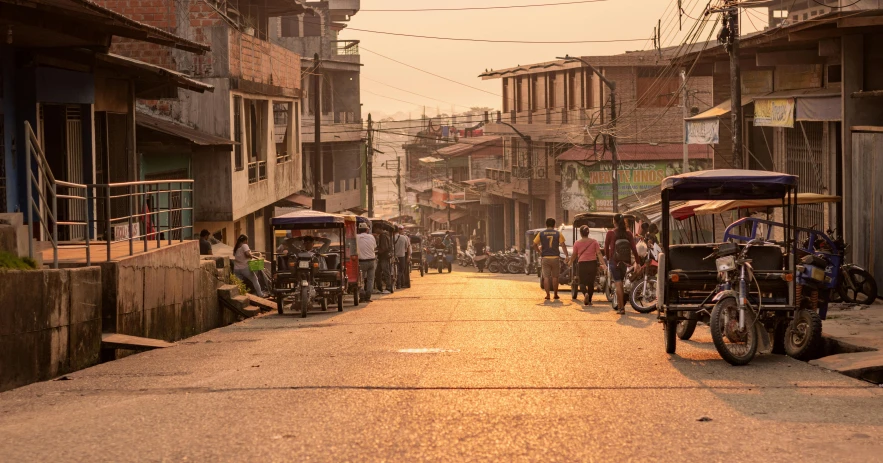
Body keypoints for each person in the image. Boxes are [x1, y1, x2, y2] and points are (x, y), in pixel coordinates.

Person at [604, 214, 641, 314]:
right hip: (625, 262)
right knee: (621, 282)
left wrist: (608, 259)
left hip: (614, 261)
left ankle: (621, 308)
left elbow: (606, 248)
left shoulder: (610, 233)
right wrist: (638, 262)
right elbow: (634, 249)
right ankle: (621, 306)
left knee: (617, 283)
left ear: (614, 222)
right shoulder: (628, 234)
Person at [568, 225, 606, 306]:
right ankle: (589, 301)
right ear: (588, 233)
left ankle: (585, 294)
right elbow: (599, 253)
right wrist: (603, 264)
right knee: (591, 283)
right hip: (592, 263)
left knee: (582, 283)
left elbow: (574, 255)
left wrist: (570, 262)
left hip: (582, 264)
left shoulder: (577, 243)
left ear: (581, 233)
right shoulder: (594, 242)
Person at [533, 218, 569, 301]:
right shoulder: (558, 233)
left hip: (545, 258)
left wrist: (539, 252)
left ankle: (548, 295)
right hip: (555, 258)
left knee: (546, 277)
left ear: (546, 225)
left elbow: (534, 244)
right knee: (555, 277)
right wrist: (566, 255)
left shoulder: (541, 234)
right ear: (554, 225)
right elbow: (563, 245)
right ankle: (555, 294)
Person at [356, 223, 377, 302]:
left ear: (358, 230)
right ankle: (368, 297)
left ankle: (362, 297)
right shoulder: (371, 237)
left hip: (361, 262)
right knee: (370, 279)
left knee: (361, 280)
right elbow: (374, 247)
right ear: (367, 229)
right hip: (372, 261)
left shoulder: (356, 237)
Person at [376, 227, 393, 293]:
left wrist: (377, 251)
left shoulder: (383, 236)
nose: (375, 230)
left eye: (375, 229)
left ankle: (388, 288)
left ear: (379, 228)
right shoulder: (384, 235)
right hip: (382, 257)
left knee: (386, 272)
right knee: (378, 272)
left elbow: (384, 248)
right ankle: (379, 288)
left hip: (384, 257)